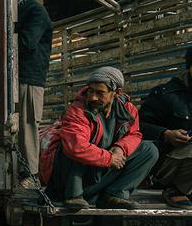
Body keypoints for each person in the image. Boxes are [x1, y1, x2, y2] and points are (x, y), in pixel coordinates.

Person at [40, 67, 159, 209]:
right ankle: (73, 196)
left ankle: (114, 195)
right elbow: (76, 147)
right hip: (70, 180)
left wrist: (120, 148)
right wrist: (110, 159)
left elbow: (134, 134)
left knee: (149, 150)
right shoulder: (77, 110)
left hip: (101, 172)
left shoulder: (128, 109)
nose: (93, 97)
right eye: (91, 91)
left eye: (100, 93)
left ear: (116, 93)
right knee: (71, 146)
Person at [140, 48, 192, 208]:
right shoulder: (166, 94)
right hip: (164, 166)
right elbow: (137, 127)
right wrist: (165, 133)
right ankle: (175, 190)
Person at [15, 0, 53, 189]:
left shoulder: (35, 11)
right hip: (17, 77)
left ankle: (31, 174)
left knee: (27, 125)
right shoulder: (19, 10)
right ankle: (21, 170)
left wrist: (5, 33)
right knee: (17, 126)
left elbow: (27, 42)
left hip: (30, 78)